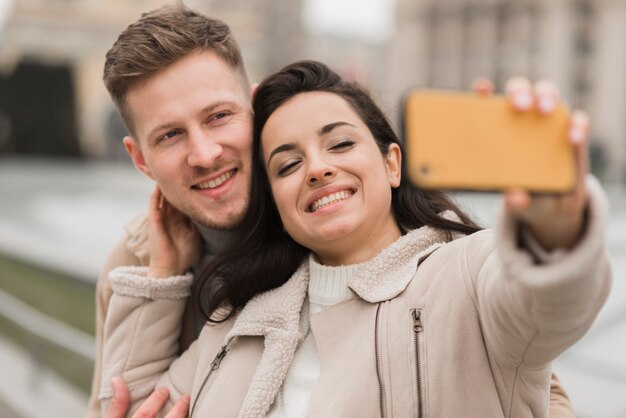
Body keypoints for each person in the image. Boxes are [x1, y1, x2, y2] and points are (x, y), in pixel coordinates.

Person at [98, 60, 611, 417]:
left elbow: (551, 301)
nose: (318, 169)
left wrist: (555, 224)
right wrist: (163, 274)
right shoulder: (239, 321)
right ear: (274, 202)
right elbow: (131, 404)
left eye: (340, 143)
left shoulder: (469, 277)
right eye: (288, 164)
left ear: (391, 163)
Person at [87, 4, 254, 417]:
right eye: (171, 135)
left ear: (258, 111)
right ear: (140, 159)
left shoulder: (333, 229)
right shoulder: (128, 267)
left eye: (218, 116)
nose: (204, 154)